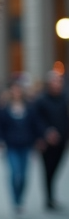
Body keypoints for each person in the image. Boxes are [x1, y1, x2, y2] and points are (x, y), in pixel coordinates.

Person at [0, 81, 44, 216]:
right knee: (14, 172)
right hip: (11, 145)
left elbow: (36, 124)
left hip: (26, 144)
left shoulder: (29, 107)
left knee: (23, 174)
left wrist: (40, 138)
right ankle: (15, 200)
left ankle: (20, 198)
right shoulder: (4, 108)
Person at [34, 70, 67, 210]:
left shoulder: (65, 98)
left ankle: (51, 194)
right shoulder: (41, 99)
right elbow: (36, 119)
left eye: (59, 81)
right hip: (46, 141)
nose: (57, 84)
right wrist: (46, 133)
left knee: (56, 167)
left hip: (62, 139)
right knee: (47, 169)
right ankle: (48, 197)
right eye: (54, 81)